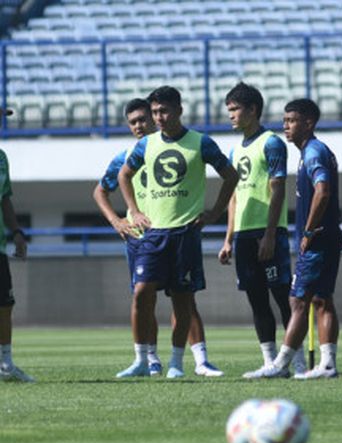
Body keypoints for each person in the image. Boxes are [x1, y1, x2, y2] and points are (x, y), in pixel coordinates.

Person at [93, 98, 223, 378]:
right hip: (142, 237)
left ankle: (198, 359)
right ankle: (149, 359)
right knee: (143, 296)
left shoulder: (179, 145)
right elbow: (100, 191)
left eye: (144, 119)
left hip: (177, 229)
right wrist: (118, 221)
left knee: (184, 297)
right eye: (134, 122)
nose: (140, 125)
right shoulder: (127, 156)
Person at [216, 82, 305, 378]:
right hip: (242, 235)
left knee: (283, 297)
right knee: (256, 298)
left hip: (268, 233)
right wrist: (228, 238)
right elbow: (233, 196)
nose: (230, 115)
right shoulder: (235, 149)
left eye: (235, 109)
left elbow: (277, 190)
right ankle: (270, 362)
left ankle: (298, 360)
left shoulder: (271, 142)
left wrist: (269, 234)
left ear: (253, 110)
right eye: (228, 110)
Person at [259, 98, 342, 379]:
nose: (286, 126)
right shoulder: (311, 151)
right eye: (284, 121)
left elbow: (323, 191)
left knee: (298, 301)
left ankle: (280, 364)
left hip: (318, 238)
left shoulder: (313, 152)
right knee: (322, 299)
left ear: (308, 123)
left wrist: (308, 230)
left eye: (292, 120)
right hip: (329, 236)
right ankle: (328, 365)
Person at [0, 107, 32, 383]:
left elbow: (5, 200)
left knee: (4, 305)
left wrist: (17, 233)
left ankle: (5, 364)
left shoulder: (1, 158)